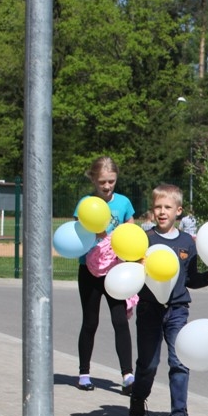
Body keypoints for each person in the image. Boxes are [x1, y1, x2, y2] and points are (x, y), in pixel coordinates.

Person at [128, 184, 208, 416]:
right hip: (149, 308)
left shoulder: (187, 242)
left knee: (180, 361)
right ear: (152, 210)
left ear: (178, 211)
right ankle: (138, 399)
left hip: (177, 309)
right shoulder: (145, 240)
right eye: (158, 207)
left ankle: (179, 415)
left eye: (168, 207)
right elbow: (133, 274)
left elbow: (189, 279)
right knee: (149, 363)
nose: (162, 211)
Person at [74, 156, 137, 393]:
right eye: (102, 182)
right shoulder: (86, 202)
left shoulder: (123, 203)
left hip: (116, 271)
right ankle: (84, 372)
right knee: (90, 321)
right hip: (89, 270)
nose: (107, 186)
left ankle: (128, 375)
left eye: (111, 181)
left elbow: (131, 229)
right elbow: (77, 229)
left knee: (120, 321)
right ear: (93, 179)